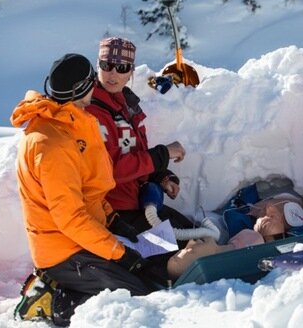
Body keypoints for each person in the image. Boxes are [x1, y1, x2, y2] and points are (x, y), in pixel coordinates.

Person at [11, 53, 249, 325]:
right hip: (65, 251)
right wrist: (119, 253)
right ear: (85, 88)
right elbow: (70, 219)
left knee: (158, 259)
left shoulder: (74, 124)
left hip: (96, 231)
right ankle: (53, 300)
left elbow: (92, 191)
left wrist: (117, 226)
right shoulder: (51, 144)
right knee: (137, 296)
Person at [85, 37, 217, 241]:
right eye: (107, 65)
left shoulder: (126, 106)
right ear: (97, 66)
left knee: (200, 237)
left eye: (121, 67)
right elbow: (110, 171)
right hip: (116, 218)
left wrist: (159, 176)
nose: (113, 74)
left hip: (140, 205)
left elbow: (135, 156)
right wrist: (163, 154)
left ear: (131, 71)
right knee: (183, 254)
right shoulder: (93, 113)